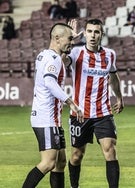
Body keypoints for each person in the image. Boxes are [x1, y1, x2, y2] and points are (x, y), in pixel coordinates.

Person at [62, 18, 124, 188]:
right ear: (85, 33)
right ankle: (75, 186)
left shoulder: (110, 54)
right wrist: (69, 39)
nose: (92, 35)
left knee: (110, 150)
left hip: (103, 112)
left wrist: (119, 97)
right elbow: (60, 61)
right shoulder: (76, 53)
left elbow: (113, 76)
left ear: (101, 34)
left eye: (96, 32)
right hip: (80, 114)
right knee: (76, 155)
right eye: (89, 31)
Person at [22, 23, 84, 188]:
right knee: (48, 163)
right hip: (46, 118)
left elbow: (61, 59)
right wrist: (72, 103)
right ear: (57, 38)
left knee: (60, 162)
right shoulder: (53, 58)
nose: (72, 42)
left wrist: (71, 38)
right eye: (69, 39)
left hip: (51, 119)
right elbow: (50, 82)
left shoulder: (47, 55)